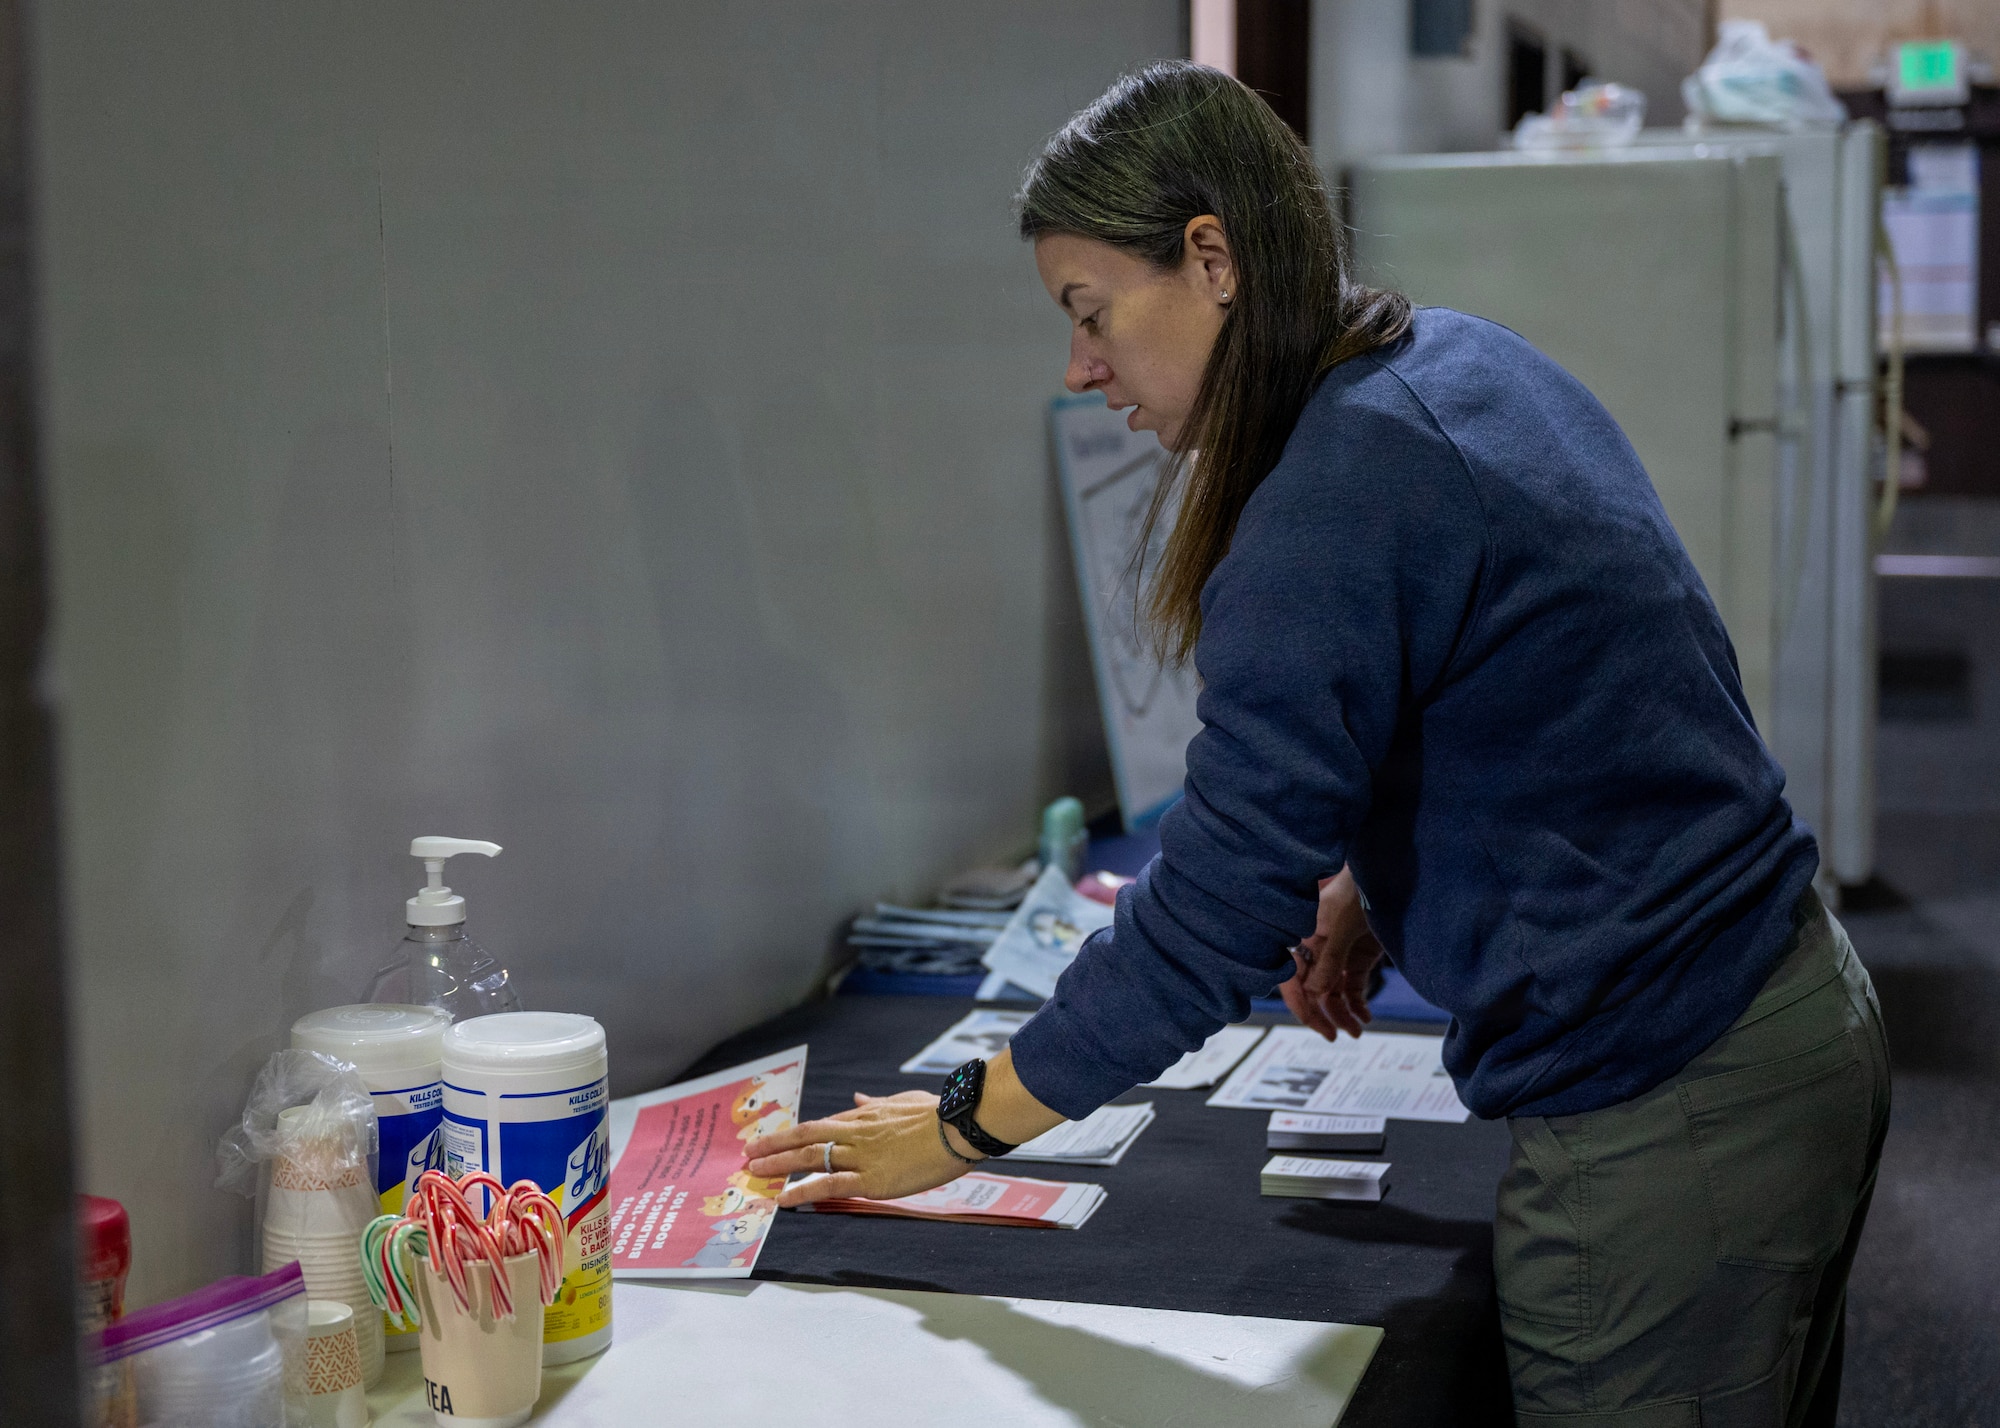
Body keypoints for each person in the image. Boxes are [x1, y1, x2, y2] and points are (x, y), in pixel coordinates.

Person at [745, 62, 1888, 1426]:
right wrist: (1366, 885)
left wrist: (957, 1128)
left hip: (1671, 1107)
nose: (1079, 366)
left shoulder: (1322, 500)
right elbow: (1567, 697)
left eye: (1090, 310)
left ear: (1212, 259)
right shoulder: (1442, 363)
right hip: (1789, 1013)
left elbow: (1216, 911)